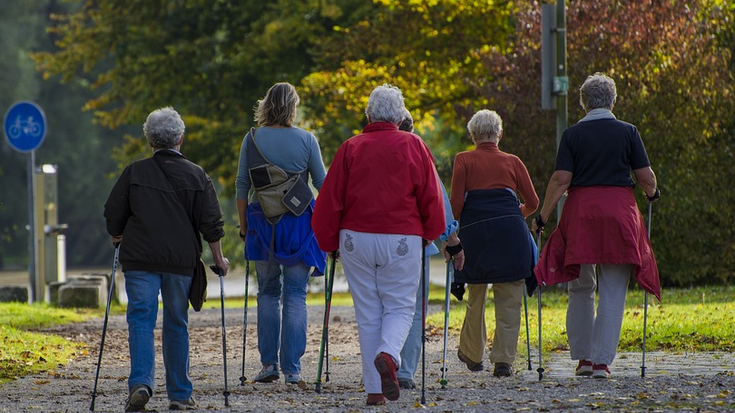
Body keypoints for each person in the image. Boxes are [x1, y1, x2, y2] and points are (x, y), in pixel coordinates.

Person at [312, 84, 445, 405]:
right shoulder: (414, 144)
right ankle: (389, 354)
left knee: (368, 312)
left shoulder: (350, 147)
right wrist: (431, 232)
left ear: (368, 114)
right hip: (401, 236)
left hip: (356, 238)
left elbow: (330, 200)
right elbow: (431, 196)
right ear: (400, 116)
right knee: (400, 306)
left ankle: (375, 391)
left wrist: (329, 242)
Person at [532, 72, 661, 379]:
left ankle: (584, 359)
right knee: (614, 289)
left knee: (580, 286)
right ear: (612, 100)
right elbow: (645, 177)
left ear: (584, 103)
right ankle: (603, 362)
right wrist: (653, 193)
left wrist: (543, 216)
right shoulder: (628, 131)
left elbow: (561, 179)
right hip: (619, 214)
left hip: (581, 215)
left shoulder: (572, 134)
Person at [104, 107, 229, 412]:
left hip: (140, 261)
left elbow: (112, 212)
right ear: (180, 140)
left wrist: (117, 235)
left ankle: (142, 383)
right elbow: (211, 222)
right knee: (176, 323)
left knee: (141, 320)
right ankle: (180, 394)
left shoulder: (134, 172)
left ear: (149, 140)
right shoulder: (197, 174)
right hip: (179, 262)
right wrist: (219, 259)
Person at [235, 82, 327, 385]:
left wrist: (244, 226)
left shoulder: (252, 139)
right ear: (293, 107)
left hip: (262, 222)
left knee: (268, 291)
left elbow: (241, 186)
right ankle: (293, 369)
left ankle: (268, 364)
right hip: (299, 223)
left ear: (265, 105)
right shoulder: (307, 140)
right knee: (296, 294)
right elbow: (322, 186)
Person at [449, 109, 539, 378]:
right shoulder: (513, 161)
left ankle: (473, 354)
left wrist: (451, 234)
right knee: (510, 297)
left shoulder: (463, 159)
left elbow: (456, 204)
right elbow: (533, 203)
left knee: (476, 295)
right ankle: (503, 361)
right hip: (511, 235)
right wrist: (512, 216)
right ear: (499, 134)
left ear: (473, 135)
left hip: (476, 235)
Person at [395, 109, 464, 390]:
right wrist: (453, 242)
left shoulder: (364, 149)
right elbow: (437, 200)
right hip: (415, 244)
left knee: (382, 307)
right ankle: (405, 371)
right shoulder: (418, 152)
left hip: (372, 242)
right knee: (413, 308)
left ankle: (382, 364)